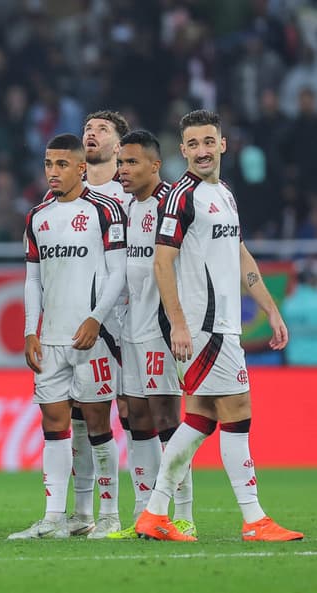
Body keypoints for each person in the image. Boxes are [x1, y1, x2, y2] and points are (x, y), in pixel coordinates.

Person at [135, 110, 304, 542]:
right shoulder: (180, 196)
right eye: (193, 144)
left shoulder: (224, 194)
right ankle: (253, 519)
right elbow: (162, 261)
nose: (202, 151)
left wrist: (269, 307)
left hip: (223, 323)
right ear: (183, 150)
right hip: (203, 326)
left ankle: (154, 512)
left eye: (209, 142)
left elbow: (240, 254)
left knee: (200, 419)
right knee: (238, 414)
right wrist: (178, 324)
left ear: (223, 144)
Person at [10, 133, 127, 540]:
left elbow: (119, 272)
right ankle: (55, 518)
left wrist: (96, 318)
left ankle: (109, 514)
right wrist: (30, 329)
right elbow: (32, 280)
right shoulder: (37, 215)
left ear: (81, 168)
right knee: (55, 424)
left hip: (92, 336)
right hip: (52, 337)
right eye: (48, 164)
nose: (52, 172)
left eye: (62, 165)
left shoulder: (106, 209)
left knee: (97, 422)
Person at [106, 130, 195, 539]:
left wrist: (179, 321)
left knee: (167, 420)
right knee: (136, 420)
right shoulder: (125, 208)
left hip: (162, 329)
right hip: (131, 328)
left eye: (131, 163)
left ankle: (183, 514)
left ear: (154, 166)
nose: (122, 170)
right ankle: (144, 513)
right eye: (120, 162)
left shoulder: (170, 205)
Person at [66, 109, 134, 536]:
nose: (91, 134)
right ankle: (83, 512)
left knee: (135, 413)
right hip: (78, 323)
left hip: (129, 320)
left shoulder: (130, 195)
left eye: (102, 130)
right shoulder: (66, 195)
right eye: (88, 129)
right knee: (81, 415)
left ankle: (148, 506)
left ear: (119, 145)